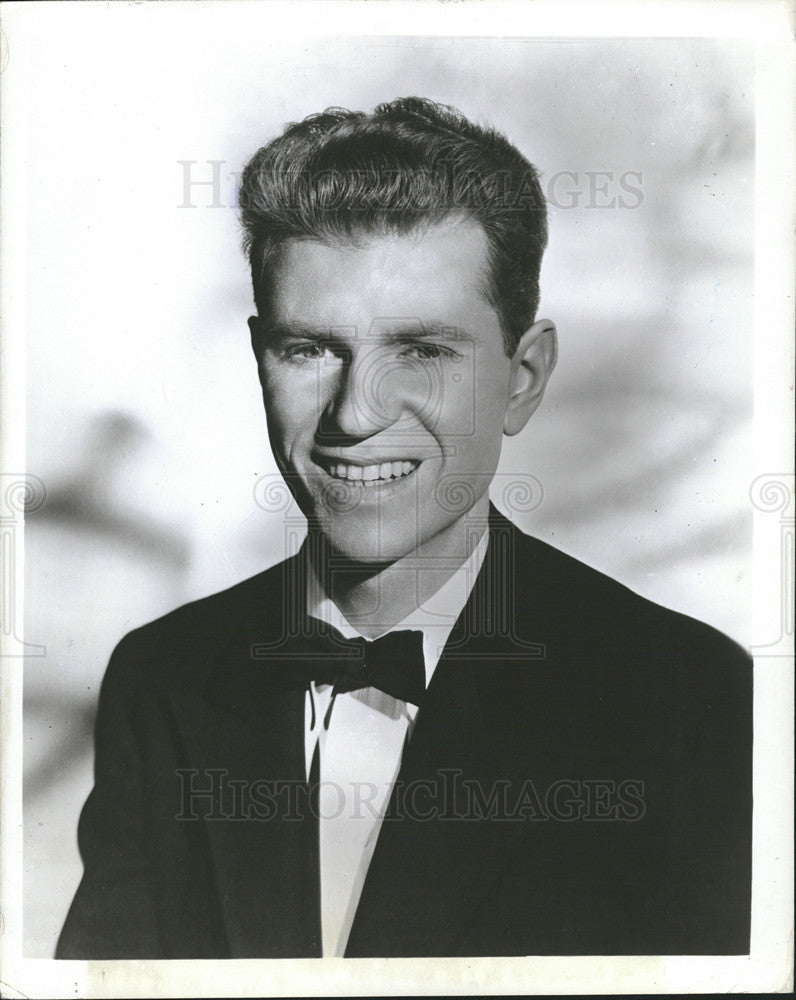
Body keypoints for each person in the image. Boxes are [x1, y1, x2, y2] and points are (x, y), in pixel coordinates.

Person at [56, 97, 752, 959]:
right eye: (309, 349)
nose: (355, 414)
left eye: (422, 351)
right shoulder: (162, 678)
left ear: (524, 377)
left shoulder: (683, 697)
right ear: (259, 356)